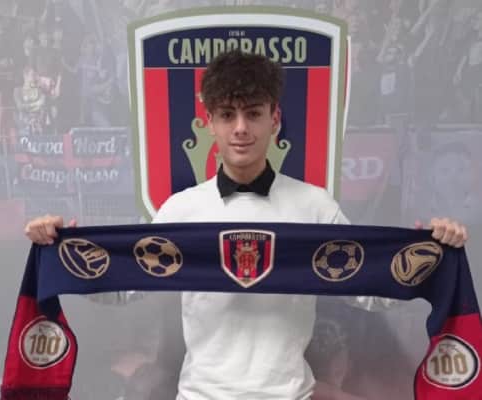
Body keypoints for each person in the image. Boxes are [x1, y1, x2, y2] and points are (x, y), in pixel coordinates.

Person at [24, 50, 468, 400]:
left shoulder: (314, 206)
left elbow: (368, 289)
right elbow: (125, 286)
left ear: (275, 120)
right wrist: (60, 249)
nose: (240, 128)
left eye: (253, 114)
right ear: (210, 123)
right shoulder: (182, 209)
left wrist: (432, 253)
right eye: (228, 115)